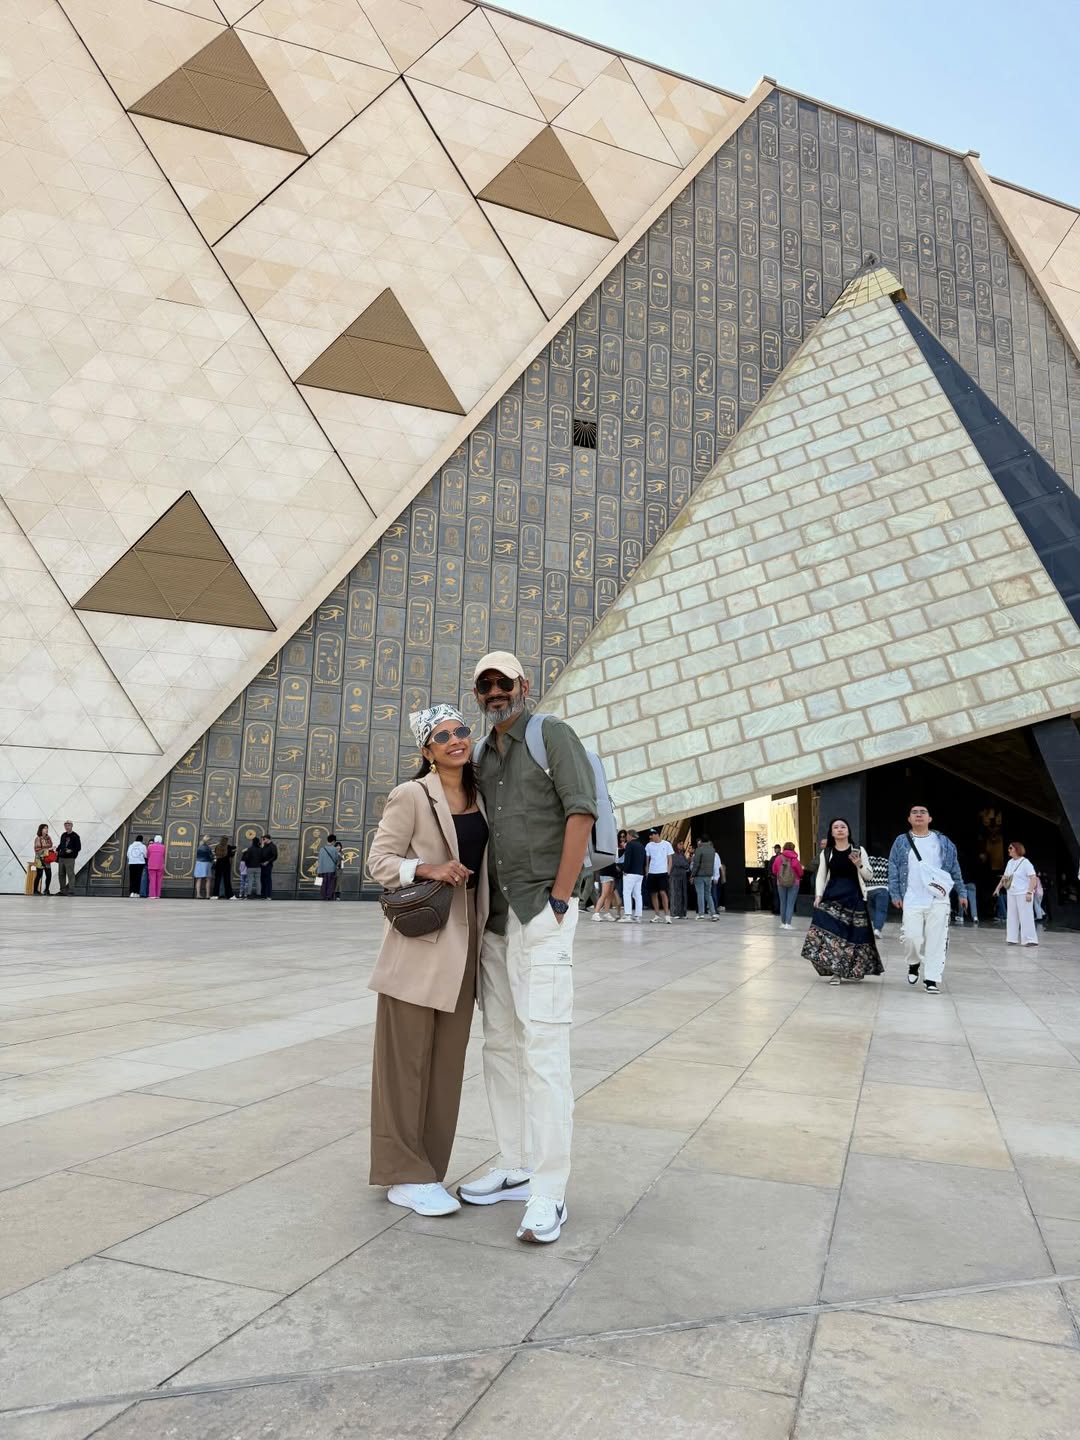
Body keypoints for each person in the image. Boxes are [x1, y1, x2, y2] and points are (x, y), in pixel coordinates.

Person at [458, 651, 597, 1246]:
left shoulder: (551, 735)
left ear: (524, 685)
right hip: (496, 920)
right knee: (500, 1046)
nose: (495, 692)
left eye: (504, 682)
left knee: (543, 1051)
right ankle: (514, 1164)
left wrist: (560, 898)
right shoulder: (481, 755)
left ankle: (550, 1189)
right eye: (485, 685)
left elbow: (581, 812)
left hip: (541, 911)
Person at [367, 704, 488, 1217]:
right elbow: (379, 862)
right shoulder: (412, 794)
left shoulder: (483, 796)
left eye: (461, 731)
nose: (456, 740)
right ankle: (402, 1173)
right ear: (427, 750)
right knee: (405, 1065)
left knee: (446, 1067)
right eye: (442, 736)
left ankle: (429, 1171)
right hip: (421, 947)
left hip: (466, 946)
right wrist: (428, 868)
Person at [888, 805, 966, 995]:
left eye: (923, 812)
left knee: (937, 940)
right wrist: (895, 894)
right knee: (911, 937)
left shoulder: (943, 841)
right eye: (914, 812)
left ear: (930, 819)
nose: (919, 815)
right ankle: (913, 962)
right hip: (912, 898)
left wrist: (962, 892)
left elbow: (954, 868)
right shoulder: (901, 841)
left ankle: (931, 978)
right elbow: (893, 867)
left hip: (938, 898)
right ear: (909, 819)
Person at [802, 818, 882, 983]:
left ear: (848, 831)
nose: (839, 829)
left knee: (852, 936)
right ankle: (836, 972)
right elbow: (821, 875)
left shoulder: (858, 850)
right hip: (832, 898)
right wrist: (818, 896)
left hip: (854, 899)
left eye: (843, 827)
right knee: (832, 936)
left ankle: (850, 970)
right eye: (836, 827)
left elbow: (869, 875)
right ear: (832, 832)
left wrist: (859, 864)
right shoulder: (827, 852)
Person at [993, 842, 1039, 946]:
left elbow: (1033, 878)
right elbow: (1005, 877)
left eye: (1011, 848)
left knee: (1026, 916)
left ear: (1017, 849)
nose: (1008, 850)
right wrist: (998, 888)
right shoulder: (1010, 862)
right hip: (1011, 892)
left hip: (1023, 893)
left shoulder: (1025, 862)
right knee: (1012, 916)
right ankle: (1012, 938)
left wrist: (1029, 892)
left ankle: (1030, 939)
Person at [645, 828, 674, 925]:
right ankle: (657, 915)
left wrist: (668, 870)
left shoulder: (666, 844)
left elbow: (670, 858)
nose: (650, 837)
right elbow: (647, 860)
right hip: (652, 872)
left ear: (657, 834)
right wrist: (647, 872)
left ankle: (667, 915)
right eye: (650, 835)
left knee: (663, 892)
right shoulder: (649, 845)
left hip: (663, 872)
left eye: (652, 835)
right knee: (653, 893)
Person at [771, 841, 803, 929]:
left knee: (783, 902)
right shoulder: (795, 859)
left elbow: (774, 870)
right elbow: (800, 872)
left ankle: (783, 923)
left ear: (784, 848)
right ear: (793, 849)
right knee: (790, 903)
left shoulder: (778, 858)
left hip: (780, 882)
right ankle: (788, 924)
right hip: (794, 882)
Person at [619, 829, 646, 922]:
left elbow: (628, 859)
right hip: (640, 873)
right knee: (637, 894)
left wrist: (624, 870)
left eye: (627, 836)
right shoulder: (642, 846)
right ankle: (638, 916)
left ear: (630, 836)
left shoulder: (630, 845)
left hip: (630, 873)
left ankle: (628, 915)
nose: (626, 838)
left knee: (626, 893)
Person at [690, 837, 718, 919]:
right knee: (708, 894)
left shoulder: (699, 850)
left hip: (699, 875)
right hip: (709, 875)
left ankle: (701, 913)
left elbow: (696, 864)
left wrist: (692, 875)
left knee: (700, 894)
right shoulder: (712, 850)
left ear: (701, 841)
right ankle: (713, 913)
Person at [56, 821, 81, 896]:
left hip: (70, 858)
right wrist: (57, 850)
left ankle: (71, 891)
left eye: (69, 825)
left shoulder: (75, 836)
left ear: (72, 826)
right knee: (61, 874)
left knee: (70, 874)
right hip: (61, 857)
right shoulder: (63, 835)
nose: (67, 827)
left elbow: (78, 847)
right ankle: (62, 891)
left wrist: (71, 850)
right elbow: (61, 844)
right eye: (66, 825)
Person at [317, 833, 342, 899]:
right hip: (331, 870)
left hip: (322, 870)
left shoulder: (322, 849)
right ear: (333, 841)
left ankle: (323, 896)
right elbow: (336, 859)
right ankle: (329, 897)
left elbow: (319, 860)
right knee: (331, 884)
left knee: (323, 884)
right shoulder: (334, 849)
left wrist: (319, 870)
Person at [32, 823, 55, 896]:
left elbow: (50, 846)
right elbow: (37, 850)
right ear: (41, 829)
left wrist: (52, 849)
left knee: (49, 875)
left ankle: (46, 890)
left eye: (47, 828)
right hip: (39, 859)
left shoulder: (48, 838)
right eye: (45, 828)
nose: (46, 829)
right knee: (39, 875)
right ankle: (35, 891)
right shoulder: (38, 838)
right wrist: (48, 849)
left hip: (47, 859)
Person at [670, 841, 690, 919]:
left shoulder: (682, 855)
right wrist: (683, 864)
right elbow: (677, 863)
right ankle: (675, 912)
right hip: (675, 876)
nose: (681, 846)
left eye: (682, 844)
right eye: (680, 844)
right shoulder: (673, 854)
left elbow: (687, 865)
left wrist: (683, 864)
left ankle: (682, 913)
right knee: (675, 895)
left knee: (683, 894)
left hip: (682, 877)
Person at [260, 834, 278, 899]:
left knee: (268, 880)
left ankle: (268, 895)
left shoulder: (273, 846)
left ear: (268, 839)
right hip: (262, 865)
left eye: (264, 839)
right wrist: (262, 846)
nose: (263, 840)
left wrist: (267, 862)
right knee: (262, 880)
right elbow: (261, 854)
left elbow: (275, 856)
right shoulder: (264, 846)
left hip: (268, 865)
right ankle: (263, 895)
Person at [766, 843, 782, 914]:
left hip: (775, 878)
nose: (775, 850)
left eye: (776, 848)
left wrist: (771, 875)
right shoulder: (782, 857)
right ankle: (779, 908)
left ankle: (776, 909)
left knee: (776, 894)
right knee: (779, 894)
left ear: (779, 849)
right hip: (779, 878)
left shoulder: (774, 858)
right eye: (775, 849)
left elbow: (769, 868)